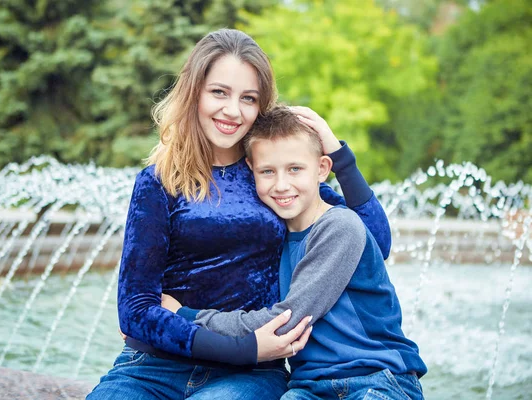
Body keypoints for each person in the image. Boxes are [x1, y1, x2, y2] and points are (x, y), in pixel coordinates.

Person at [87, 28, 391, 399]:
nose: (233, 111)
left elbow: (373, 240)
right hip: (152, 367)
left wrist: (339, 154)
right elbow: (135, 310)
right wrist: (244, 346)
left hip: (248, 373)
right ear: (194, 93)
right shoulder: (159, 181)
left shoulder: (271, 179)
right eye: (219, 92)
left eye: (248, 98)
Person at [166, 106, 427, 399]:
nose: (281, 185)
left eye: (295, 169)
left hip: (375, 380)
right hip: (307, 388)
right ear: (252, 170)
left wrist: (183, 316)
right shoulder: (272, 233)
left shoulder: (339, 226)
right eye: (267, 171)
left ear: (322, 169)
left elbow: (285, 322)